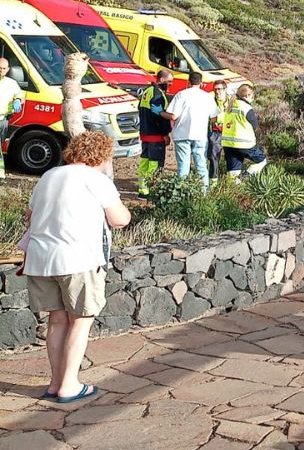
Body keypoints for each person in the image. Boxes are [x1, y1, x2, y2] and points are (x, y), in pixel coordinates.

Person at [23, 131, 130, 402]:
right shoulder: (97, 179)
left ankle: (55, 382)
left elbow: (29, 216)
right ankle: (70, 385)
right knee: (81, 321)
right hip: (79, 258)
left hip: (41, 259)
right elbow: (119, 219)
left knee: (56, 320)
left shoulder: (49, 175)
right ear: (102, 155)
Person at [165, 72, 219, 190]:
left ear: (188, 82)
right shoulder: (207, 97)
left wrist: (161, 114)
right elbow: (214, 118)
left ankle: (182, 192)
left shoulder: (181, 95)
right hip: (200, 135)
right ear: (201, 83)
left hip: (182, 134)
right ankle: (203, 193)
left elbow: (173, 116)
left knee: (183, 166)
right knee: (201, 165)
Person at [136, 69, 173, 197]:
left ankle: (143, 190)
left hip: (145, 134)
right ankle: (152, 190)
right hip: (155, 136)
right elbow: (158, 117)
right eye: (169, 82)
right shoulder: (157, 94)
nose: (171, 84)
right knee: (155, 163)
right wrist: (165, 134)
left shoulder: (147, 91)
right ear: (162, 80)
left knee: (144, 162)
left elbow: (140, 110)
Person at [222, 83, 267, 179]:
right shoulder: (246, 108)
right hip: (244, 144)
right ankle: (244, 177)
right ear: (248, 95)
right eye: (253, 96)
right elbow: (255, 126)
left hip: (228, 144)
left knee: (233, 173)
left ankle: (234, 189)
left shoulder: (229, 105)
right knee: (262, 161)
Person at [0, 57, 25, 180]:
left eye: (4, 68)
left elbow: (20, 95)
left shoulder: (11, 83)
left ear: (8, 69)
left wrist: (18, 100)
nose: (1, 70)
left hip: (3, 120)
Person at [207, 80, 229, 180]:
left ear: (225, 89)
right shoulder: (210, 100)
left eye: (219, 89)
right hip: (215, 132)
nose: (217, 92)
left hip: (229, 132)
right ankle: (213, 179)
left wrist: (219, 118)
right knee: (214, 156)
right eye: (215, 89)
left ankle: (230, 180)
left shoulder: (232, 101)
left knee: (231, 157)